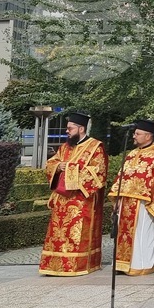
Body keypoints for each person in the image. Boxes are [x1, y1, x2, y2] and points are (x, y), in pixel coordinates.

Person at [39, 112, 109, 276]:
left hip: (81, 200)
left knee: (76, 235)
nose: (67, 131)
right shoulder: (64, 147)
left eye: (70, 128)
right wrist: (58, 166)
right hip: (62, 199)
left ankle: (77, 264)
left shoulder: (95, 147)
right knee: (57, 233)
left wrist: (70, 168)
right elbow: (51, 163)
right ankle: (55, 264)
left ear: (81, 128)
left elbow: (99, 173)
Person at [107, 119, 154, 276]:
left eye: (138, 134)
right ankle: (122, 264)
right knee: (122, 234)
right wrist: (117, 199)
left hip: (143, 203)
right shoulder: (131, 154)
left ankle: (143, 264)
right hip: (125, 201)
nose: (134, 136)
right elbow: (121, 177)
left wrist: (153, 201)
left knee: (142, 234)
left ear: (148, 136)